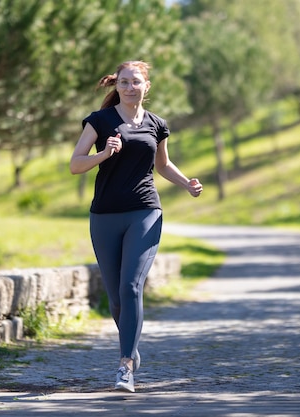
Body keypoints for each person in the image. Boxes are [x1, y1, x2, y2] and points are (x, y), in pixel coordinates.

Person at [69, 60, 203, 393]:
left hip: (144, 211)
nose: (130, 87)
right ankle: (132, 343)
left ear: (147, 86)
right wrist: (104, 154)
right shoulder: (100, 121)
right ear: (116, 86)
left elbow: (163, 164)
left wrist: (187, 183)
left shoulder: (157, 124)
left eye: (136, 82)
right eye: (124, 82)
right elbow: (75, 164)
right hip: (104, 215)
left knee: (131, 287)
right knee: (115, 298)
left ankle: (125, 366)